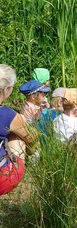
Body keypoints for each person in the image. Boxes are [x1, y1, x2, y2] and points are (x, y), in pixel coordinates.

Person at [0, 64, 38, 195]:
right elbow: (32, 137)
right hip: (3, 180)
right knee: (17, 135)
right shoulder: (7, 114)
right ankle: (20, 167)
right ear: (7, 89)